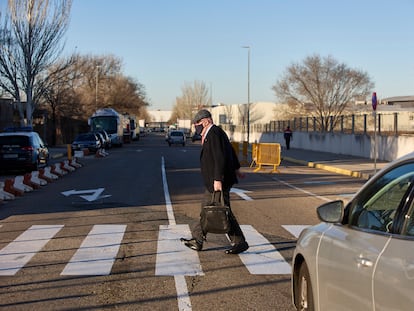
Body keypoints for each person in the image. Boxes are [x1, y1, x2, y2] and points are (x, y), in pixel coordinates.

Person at [181, 109, 249, 255]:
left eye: (197, 123)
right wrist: (236, 168)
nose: (196, 127)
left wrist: (218, 179)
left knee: (218, 211)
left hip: (218, 181)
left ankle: (237, 242)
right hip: (216, 180)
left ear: (206, 121)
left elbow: (220, 157)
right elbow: (229, 151)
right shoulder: (214, 133)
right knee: (211, 210)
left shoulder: (214, 133)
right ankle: (199, 239)